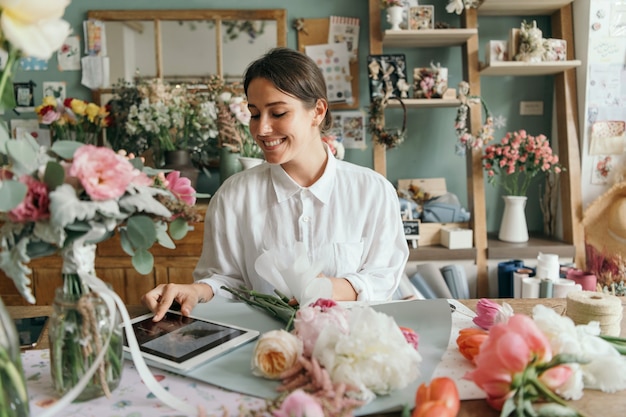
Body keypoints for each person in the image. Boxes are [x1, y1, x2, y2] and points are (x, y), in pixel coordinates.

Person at [142, 47, 409, 321]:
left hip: (349, 347)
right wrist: (196, 291)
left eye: (278, 113)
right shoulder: (233, 196)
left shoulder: (372, 191)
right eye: (255, 114)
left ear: (317, 111)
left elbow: (384, 277)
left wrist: (327, 288)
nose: (261, 129)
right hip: (262, 347)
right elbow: (226, 281)